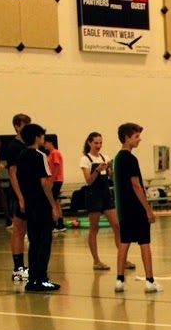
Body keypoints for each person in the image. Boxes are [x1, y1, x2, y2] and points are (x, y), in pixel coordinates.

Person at [112, 122, 160, 293]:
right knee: (144, 243)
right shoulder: (130, 159)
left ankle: (119, 280)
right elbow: (136, 184)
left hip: (123, 209)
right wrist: (148, 209)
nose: (139, 140)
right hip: (136, 208)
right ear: (127, 138)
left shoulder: (117, 159)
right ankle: (150, 281)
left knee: (124, 242)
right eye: (136, 136)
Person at [16, 124, 62, 292]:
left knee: (34, 242)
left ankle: (33, 280)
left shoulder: (21, 156)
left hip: (29, 204)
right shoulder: (40, 155)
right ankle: (41, 278)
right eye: (42, 136)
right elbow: (44, 183)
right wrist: (53, 205)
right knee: (44, 242)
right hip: (40, 204)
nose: (43, 139)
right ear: (37, 137)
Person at [78, 131, 131, 272]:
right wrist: (97, 170)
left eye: (100, 143)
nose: (98, 145)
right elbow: (88, 181)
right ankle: (96, 261)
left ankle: (123, 258)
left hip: (106, 195)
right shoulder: (85, 159)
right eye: (96, 143)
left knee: (117, 226)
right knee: (94, 228)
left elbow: (112, 179)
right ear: (89, 143)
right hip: (93, 196)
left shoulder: (104, 157)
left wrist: (110, 169)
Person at [4, 113, 33, 281]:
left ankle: (25, 265)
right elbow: (12, 173)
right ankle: (18, 267)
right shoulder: (14, 147)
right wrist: (20, 196)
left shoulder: (28, 147)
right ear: (17, 126)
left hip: (30, 192)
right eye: (24, 125)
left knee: (27, 230)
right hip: (19, 194)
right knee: (19, 230)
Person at [44, 137, 66, 233]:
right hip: (54, 180)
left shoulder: (55, 153)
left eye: (45, 143)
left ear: (50, 143)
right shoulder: (50, 155)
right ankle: (60, 223)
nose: (44, 145)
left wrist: (51, 181)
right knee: (55, 202)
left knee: (51, 202)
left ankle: (53, 223)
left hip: (56, 180)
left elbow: (57, 167)